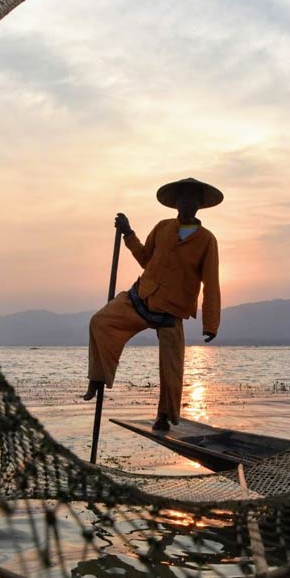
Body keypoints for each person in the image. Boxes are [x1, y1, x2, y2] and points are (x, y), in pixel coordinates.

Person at [83, 177, 222, 431]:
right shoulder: (163, 227)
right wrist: (128, 233)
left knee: (172, 368)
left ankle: (165, 416)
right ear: (176, 203)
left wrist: (210, 323)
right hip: (140, 298)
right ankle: (97, 378)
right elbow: (146, 259)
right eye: (183, 198)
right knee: (100, 322)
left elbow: (210, 284)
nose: (187, 203)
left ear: (200, 204)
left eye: (192, 198)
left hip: (172, 311)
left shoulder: (207, 240)